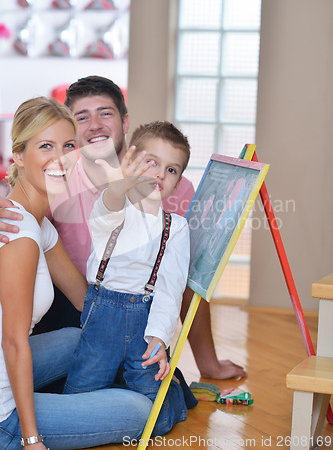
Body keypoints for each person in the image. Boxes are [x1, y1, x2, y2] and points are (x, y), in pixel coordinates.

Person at [0, 76, 246, 380]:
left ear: (125, 121)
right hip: (67, 308)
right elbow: (18, 198)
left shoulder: (170, 187)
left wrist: (208, 362)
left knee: (168, 385)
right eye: (81, 117)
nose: (94, 125)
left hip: (137, 312)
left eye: (105, 113)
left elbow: (186, 282)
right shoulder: (58, 177)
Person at [0, 97, 155, 450]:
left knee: (78, 338)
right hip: (3, 413)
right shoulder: (19, 234)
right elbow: (12, 341)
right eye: (45, 146)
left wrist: (151, 334)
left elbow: (88, 303)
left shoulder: (38, 225)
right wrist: (30, 438)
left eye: (68, 145)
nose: (60, 158)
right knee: (140, 411)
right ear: (19, 156)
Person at [64, 122, 191, 434]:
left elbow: (170, 291)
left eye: (172, 170)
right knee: (77, 397)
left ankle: (173, 394)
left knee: (156, 419)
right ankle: (113, 403)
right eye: (151, 162)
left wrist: (159, 339)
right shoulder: (113, 206)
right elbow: (106, 212)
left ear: (177, 181)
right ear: (131, 164)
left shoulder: (176, 228)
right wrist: (118, 186)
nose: (161, 174)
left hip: (143, 324)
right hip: (101, 318)